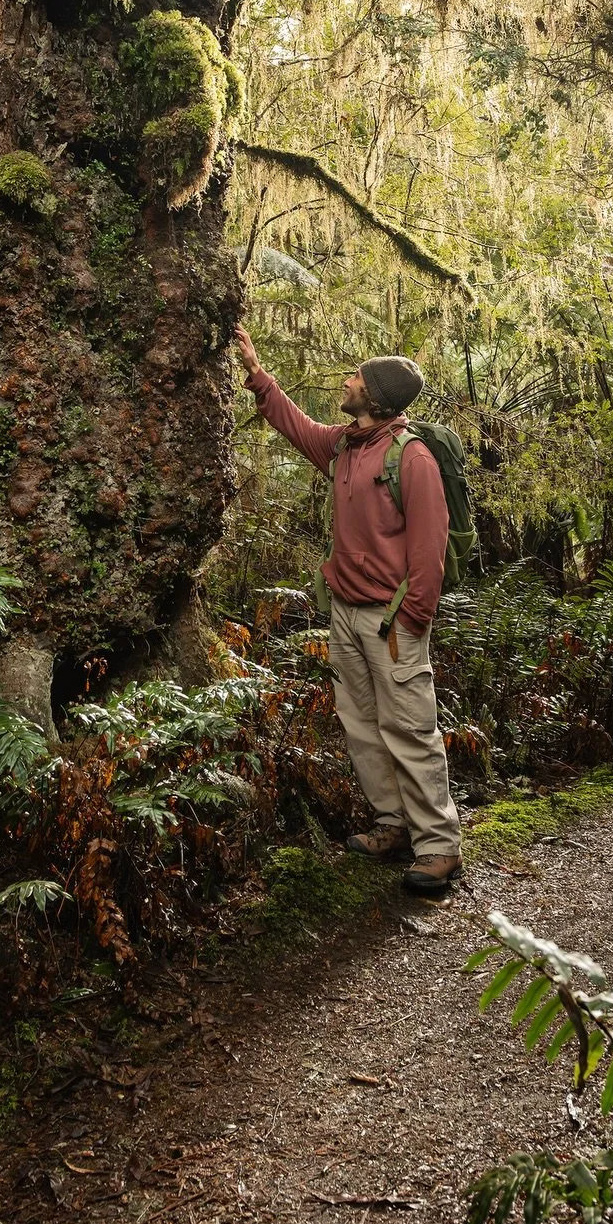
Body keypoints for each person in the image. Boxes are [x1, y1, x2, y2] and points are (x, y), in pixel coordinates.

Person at [231, 324, 462, 894]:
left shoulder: (412, 459)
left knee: (409, 728)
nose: (347, 380)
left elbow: (430, 550)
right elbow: (295, 425)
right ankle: (392, 826)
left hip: (392, 619)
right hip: (346, 611)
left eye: (356, 376)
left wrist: (411, 620)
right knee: (362, 726)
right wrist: (257, 375)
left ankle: (437, 847)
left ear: (377, 396)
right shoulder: (342, 445)